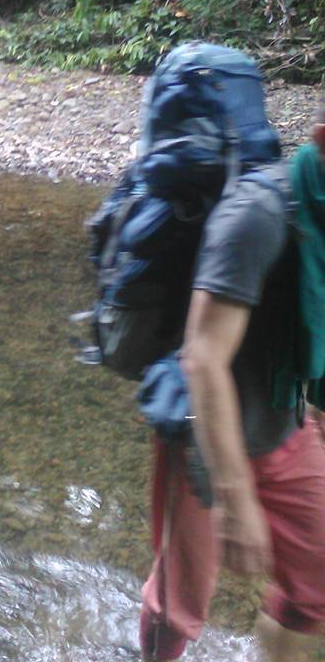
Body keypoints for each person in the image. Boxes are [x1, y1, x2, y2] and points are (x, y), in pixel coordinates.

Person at [140, 110, 325, 661]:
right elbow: (202, 358)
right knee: (180, 605)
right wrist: (235, 495)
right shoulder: (257, 214)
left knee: (318, 583)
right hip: (202, 433)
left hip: (283, 422)